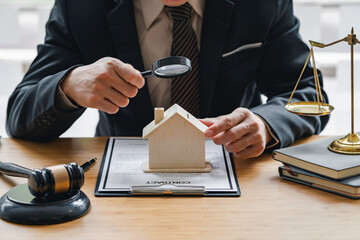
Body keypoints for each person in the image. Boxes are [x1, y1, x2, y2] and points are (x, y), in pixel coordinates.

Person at [6, 0, 329, 160]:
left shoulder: (260, 4)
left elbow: (307, 94)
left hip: (234, 167)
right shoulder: (81, 7)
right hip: (125, 171)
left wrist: (265, 124)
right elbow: (20, 118)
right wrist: (69, 86)